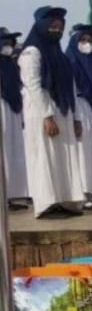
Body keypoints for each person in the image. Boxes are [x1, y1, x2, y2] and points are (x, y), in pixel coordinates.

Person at [18, 6, 84, 219]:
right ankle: (46, 204)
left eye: (59, 25)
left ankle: (63, 201)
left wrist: (75, 117)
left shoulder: (60, 55)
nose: (56, 28)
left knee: (62, 156)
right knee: (44, 156)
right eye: (52, 24)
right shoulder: (32, 51)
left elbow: (70, 87)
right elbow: (33, 84)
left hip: (62, 109)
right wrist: (47, 115)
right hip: (41, 109)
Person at [65, 24, 92, 211]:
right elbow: (71, 91)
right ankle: (84, 193)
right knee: (83, 152)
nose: (87, 44)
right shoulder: (71, 61)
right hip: (80, 107)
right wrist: (75, 118)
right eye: (83, 40)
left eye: (89, 41)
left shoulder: (90, 61)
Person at [0, 27, 29, 209]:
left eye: (11, 43)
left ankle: (11, 195)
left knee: (13, 151)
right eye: (5, 42)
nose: (9, 46)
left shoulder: (10, 64)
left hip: (13, 108)